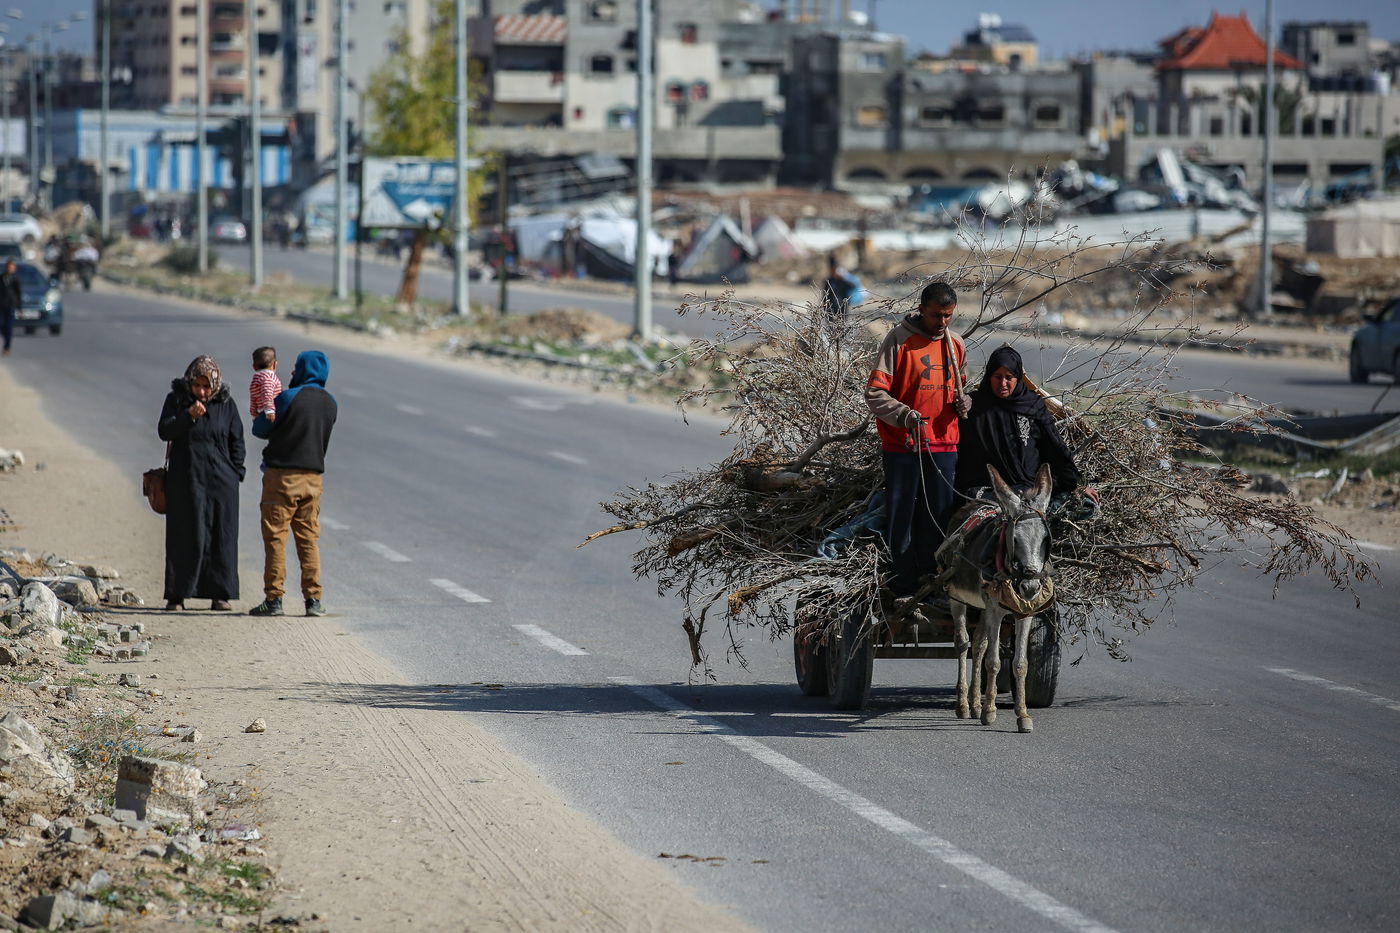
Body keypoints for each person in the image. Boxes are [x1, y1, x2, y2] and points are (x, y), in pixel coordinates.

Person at [865, 281, 971, 597]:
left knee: (938, 519)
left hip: (944, 445)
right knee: (902, 518)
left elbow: (962, 388)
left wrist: (966, 402)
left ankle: (931, 585)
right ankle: (903, 586)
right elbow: (875, 393)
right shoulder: (899, 340)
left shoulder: (956, 344)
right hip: (903, 447)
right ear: (921, 309)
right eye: (936, 315)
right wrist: (904, 415)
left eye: (948, 316)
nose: (942, 322)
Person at [249, 350, 338, 618]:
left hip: (282, 478)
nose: (291, 372)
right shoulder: (331, 403)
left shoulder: (288, 397)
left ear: (304, 370)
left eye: (296, 367)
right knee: (308, 539)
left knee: (276, 538)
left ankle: (274, 599)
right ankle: (313, 600)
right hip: (313, 480)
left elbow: (260, 429)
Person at [157, 355, 246, 611]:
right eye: (197, 386)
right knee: (184, 535)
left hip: (221, 484)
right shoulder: (177, 400)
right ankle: (177, 595)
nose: (202, 392)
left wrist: (236, 472)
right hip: (186, 481)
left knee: (221, 537)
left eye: (207, 387)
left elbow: (237, 440)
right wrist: (188, 416)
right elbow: (165, 431)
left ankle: (220, 595)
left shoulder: (226, 404)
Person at [954, 345, 1080, 500]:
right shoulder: (974, 406)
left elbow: (1054, 448)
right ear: (989, 376)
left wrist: (1073, 483)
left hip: (1027, 488)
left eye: (1009, 377)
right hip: (986, 489)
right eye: (997, 377)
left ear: (1018, 378)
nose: (1003, 383)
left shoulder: (1033, 406)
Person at [249, 346, 283, 425]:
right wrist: (269, 410)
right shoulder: (268, 377)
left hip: (261, 413)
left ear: (254, 367)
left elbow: (253, 399)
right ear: (274, 364)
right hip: (271, 413)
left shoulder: (256, 378)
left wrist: (254, 414)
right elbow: (267, 392)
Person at [821, 253, 858, 322]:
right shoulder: (828, 281)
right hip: (831, 310)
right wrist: (824, 306)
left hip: (843, 309)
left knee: (842, 326)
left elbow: (853, 286)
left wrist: (843, 278)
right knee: (831, 326)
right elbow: (824, 295)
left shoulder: (842, 280)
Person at [0, 259, 21, 356]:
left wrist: (19, 307)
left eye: (12, 267)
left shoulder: (15, 280)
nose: (10, 269)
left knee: (9, 327)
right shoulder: (1, 278)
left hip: (11, 306)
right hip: (1, 306)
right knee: (1, 325)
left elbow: (18, 293)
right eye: (9, 267)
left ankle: (7, 347)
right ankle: (5, 338)